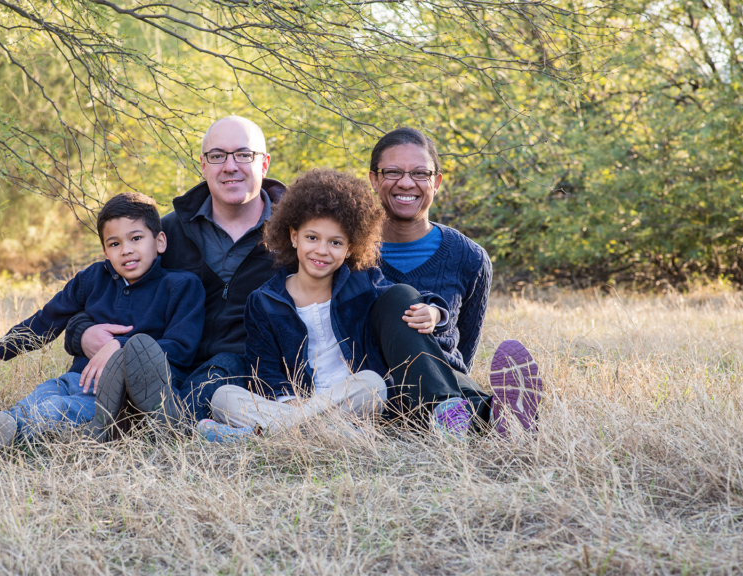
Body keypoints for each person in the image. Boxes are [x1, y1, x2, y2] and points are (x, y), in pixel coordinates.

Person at [0, 192, 205, 457]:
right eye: (115, 243)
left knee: (54, 412)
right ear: (105, 251)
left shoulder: (181, 286)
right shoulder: (93, 279)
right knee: (37, 400)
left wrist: (118, 348)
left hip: (118, 401)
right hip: (75, 380)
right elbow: (45, 321)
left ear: (159, 242)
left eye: (136, 238)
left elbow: (181, 349)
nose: (127, 250)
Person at [62, 116, 286, 433]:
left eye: (243, 155)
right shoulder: (165, 232)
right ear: (203, 165)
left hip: (240, 369)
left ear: (263, 164)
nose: (230, 166)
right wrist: (81, 333)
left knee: (217, 373)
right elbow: (103, 291)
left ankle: (161, 424)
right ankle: (154, 420)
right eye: (218, 156)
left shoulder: (294, 235)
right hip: (167, 361)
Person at [206, 169, 452, 437]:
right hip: (296, 403)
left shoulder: (363, 283)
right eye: (312, 238)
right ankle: (325, 433)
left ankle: (261, 434)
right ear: (293, 236)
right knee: (222, 395)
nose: (322, 250)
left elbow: (402, 299)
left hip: (353, 398)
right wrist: (292, 404)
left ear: (349, 249)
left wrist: (435, 311)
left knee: (373, 383)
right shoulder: (264, 301)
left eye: (335, 242)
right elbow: (264, 370)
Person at [368, 127, 543, 436]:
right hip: (374, 389)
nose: (406, 182)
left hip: (442, 379)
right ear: (374, 179)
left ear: (436, 182)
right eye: (393, 172)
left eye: (420, 173)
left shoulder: (469, 258)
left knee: (446, 370)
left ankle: (459, 413)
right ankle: (487, 413)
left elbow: (464, 350)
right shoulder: (346, 251)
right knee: (398, 297)